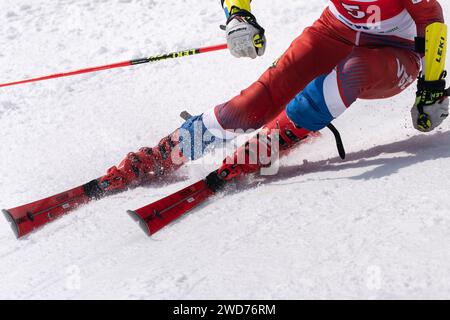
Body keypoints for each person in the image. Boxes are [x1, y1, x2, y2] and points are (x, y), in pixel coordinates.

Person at [95, 0, 449, 193]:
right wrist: (238, 16)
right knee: (252, 105)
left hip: (397, 51)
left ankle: (274, 139)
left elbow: (433, 25)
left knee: (353, 70)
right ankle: (168, 151)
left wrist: (431, 89)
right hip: (335, 30)